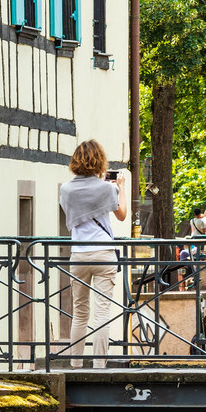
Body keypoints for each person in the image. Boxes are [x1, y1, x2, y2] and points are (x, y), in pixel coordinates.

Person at [59, 140, 129, 368]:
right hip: (103, 254)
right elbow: (122, 215)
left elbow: (75, 212)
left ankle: (75, 363)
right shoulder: (108, 189)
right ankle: (99, 365)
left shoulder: (66, 189)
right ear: (100, 161)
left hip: (78, 254)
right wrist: (121, 187)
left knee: (79, 312)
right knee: (102, 312)